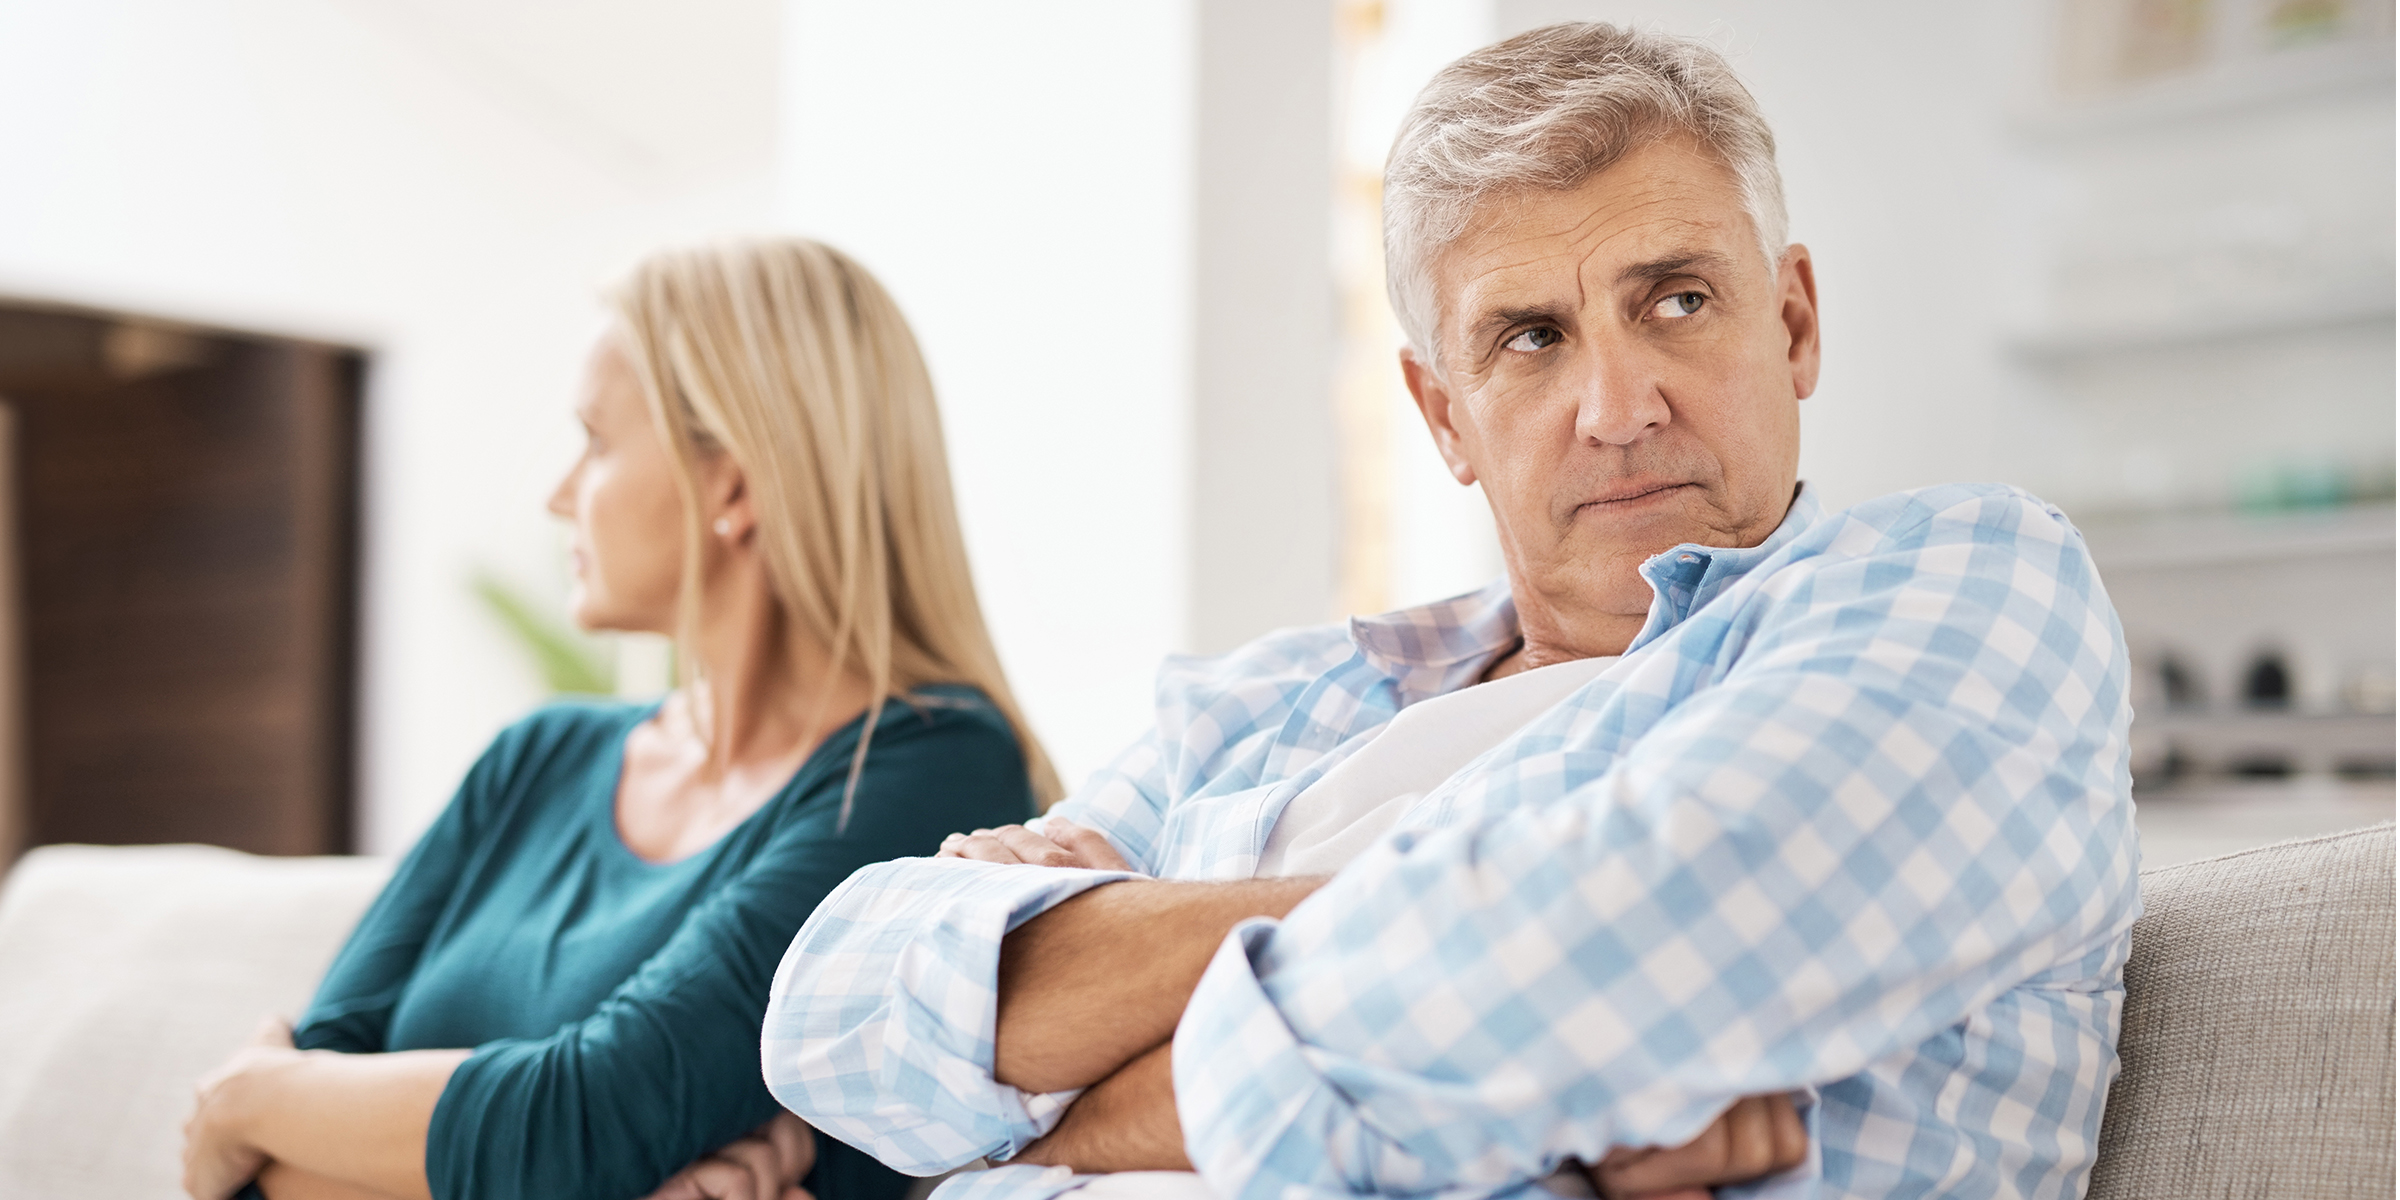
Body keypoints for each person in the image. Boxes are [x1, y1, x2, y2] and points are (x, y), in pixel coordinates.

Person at [762, 23, 2137, 1200]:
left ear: (1791, 326)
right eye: (1531, 338)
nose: (1617, 407)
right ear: (1444, 416)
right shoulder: (1269, 704)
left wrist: (1079, 1096)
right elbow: (835, 1013)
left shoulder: (1969, 586)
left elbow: (1611, 952)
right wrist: (1520, 1039)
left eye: (1677, 300)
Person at [181, 240, 1057, 1200]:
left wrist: (244, 1101)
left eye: (596, 441)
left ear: (731, 485)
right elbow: (275, 1158)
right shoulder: (537, 759)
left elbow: (592, 1116)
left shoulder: (931, 768)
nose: (561, 497)